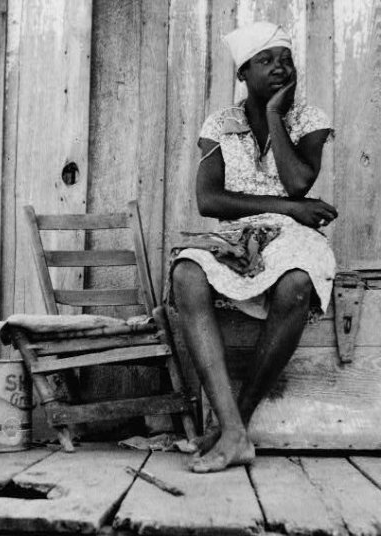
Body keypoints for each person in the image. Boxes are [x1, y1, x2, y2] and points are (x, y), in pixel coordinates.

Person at [170, 22, 337, 473]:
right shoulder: (219, 125)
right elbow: (210, 200)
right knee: (187, 272)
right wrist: (288, 206)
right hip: (238, 234)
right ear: (243, 73)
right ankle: (232, 428)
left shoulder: (310, 119)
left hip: (292, 235)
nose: (280, 68)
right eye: (266, 61)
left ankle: (233, 428)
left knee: (297, 283)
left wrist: (276, 117)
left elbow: (300, 180)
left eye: (286, 59)